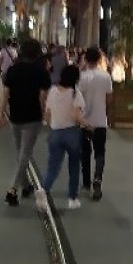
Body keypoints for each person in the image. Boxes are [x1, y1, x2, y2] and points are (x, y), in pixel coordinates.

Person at [0, 39, 51, 207]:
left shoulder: (13, 70)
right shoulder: (41, 72)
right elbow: (42, 97)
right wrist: (44, 114)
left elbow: (6, 94)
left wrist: (0, 114)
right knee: (25, 153)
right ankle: (13, 190)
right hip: (32, 117)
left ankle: (26, 185)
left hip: (15, 116)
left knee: (20, 152)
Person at [36, 65, 87, 212]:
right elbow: (76, 116)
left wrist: (49, 124)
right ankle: (72, 199)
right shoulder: (75, 93)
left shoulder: (53, 91)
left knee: (53, 166)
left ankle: (44, 189)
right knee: (74, 166)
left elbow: (47, 113)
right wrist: (88, 125)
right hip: (72, 133)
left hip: (55, 133)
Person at [78, 49, 112, 201]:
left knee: (85, 153)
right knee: (99, 152)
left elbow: (77, 99)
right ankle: (97, 179)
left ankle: (86, 183)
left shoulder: (81, 77)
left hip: (85, 122)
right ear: (99, 59)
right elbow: (109, 98)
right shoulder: (106, 76)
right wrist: (105, 111)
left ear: (85, 59)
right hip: (100, 121)